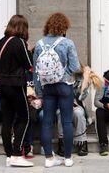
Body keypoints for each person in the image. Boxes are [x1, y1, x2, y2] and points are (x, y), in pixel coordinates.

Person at [33, 12, 81, 168]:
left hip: (47, 88)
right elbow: (75, 67)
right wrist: (63, 74)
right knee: (66, 121)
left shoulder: (39, 44)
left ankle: (48, 159)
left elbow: (36, 72)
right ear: (64, 26)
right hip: (64, 86)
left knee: (47, 122)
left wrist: (39, 92)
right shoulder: (68, 43)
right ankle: (67, 158)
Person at [0, 14, 34, 167]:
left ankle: (9, 154)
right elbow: (29, 65)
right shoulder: (20, 42)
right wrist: (28, 51)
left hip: (2, 85)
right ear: (23, 28)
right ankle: (17, 154)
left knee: (7, 120)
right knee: (25, 117)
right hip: (16, 85)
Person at [57, 64, 101, 157]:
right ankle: (62, 142)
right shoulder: (59, 75)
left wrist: (85, 80)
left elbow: (80, 97)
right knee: (61, 113)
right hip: (60, 105)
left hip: (77, 105)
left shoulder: (81, 78)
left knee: (79, 113)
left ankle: (82, 142)